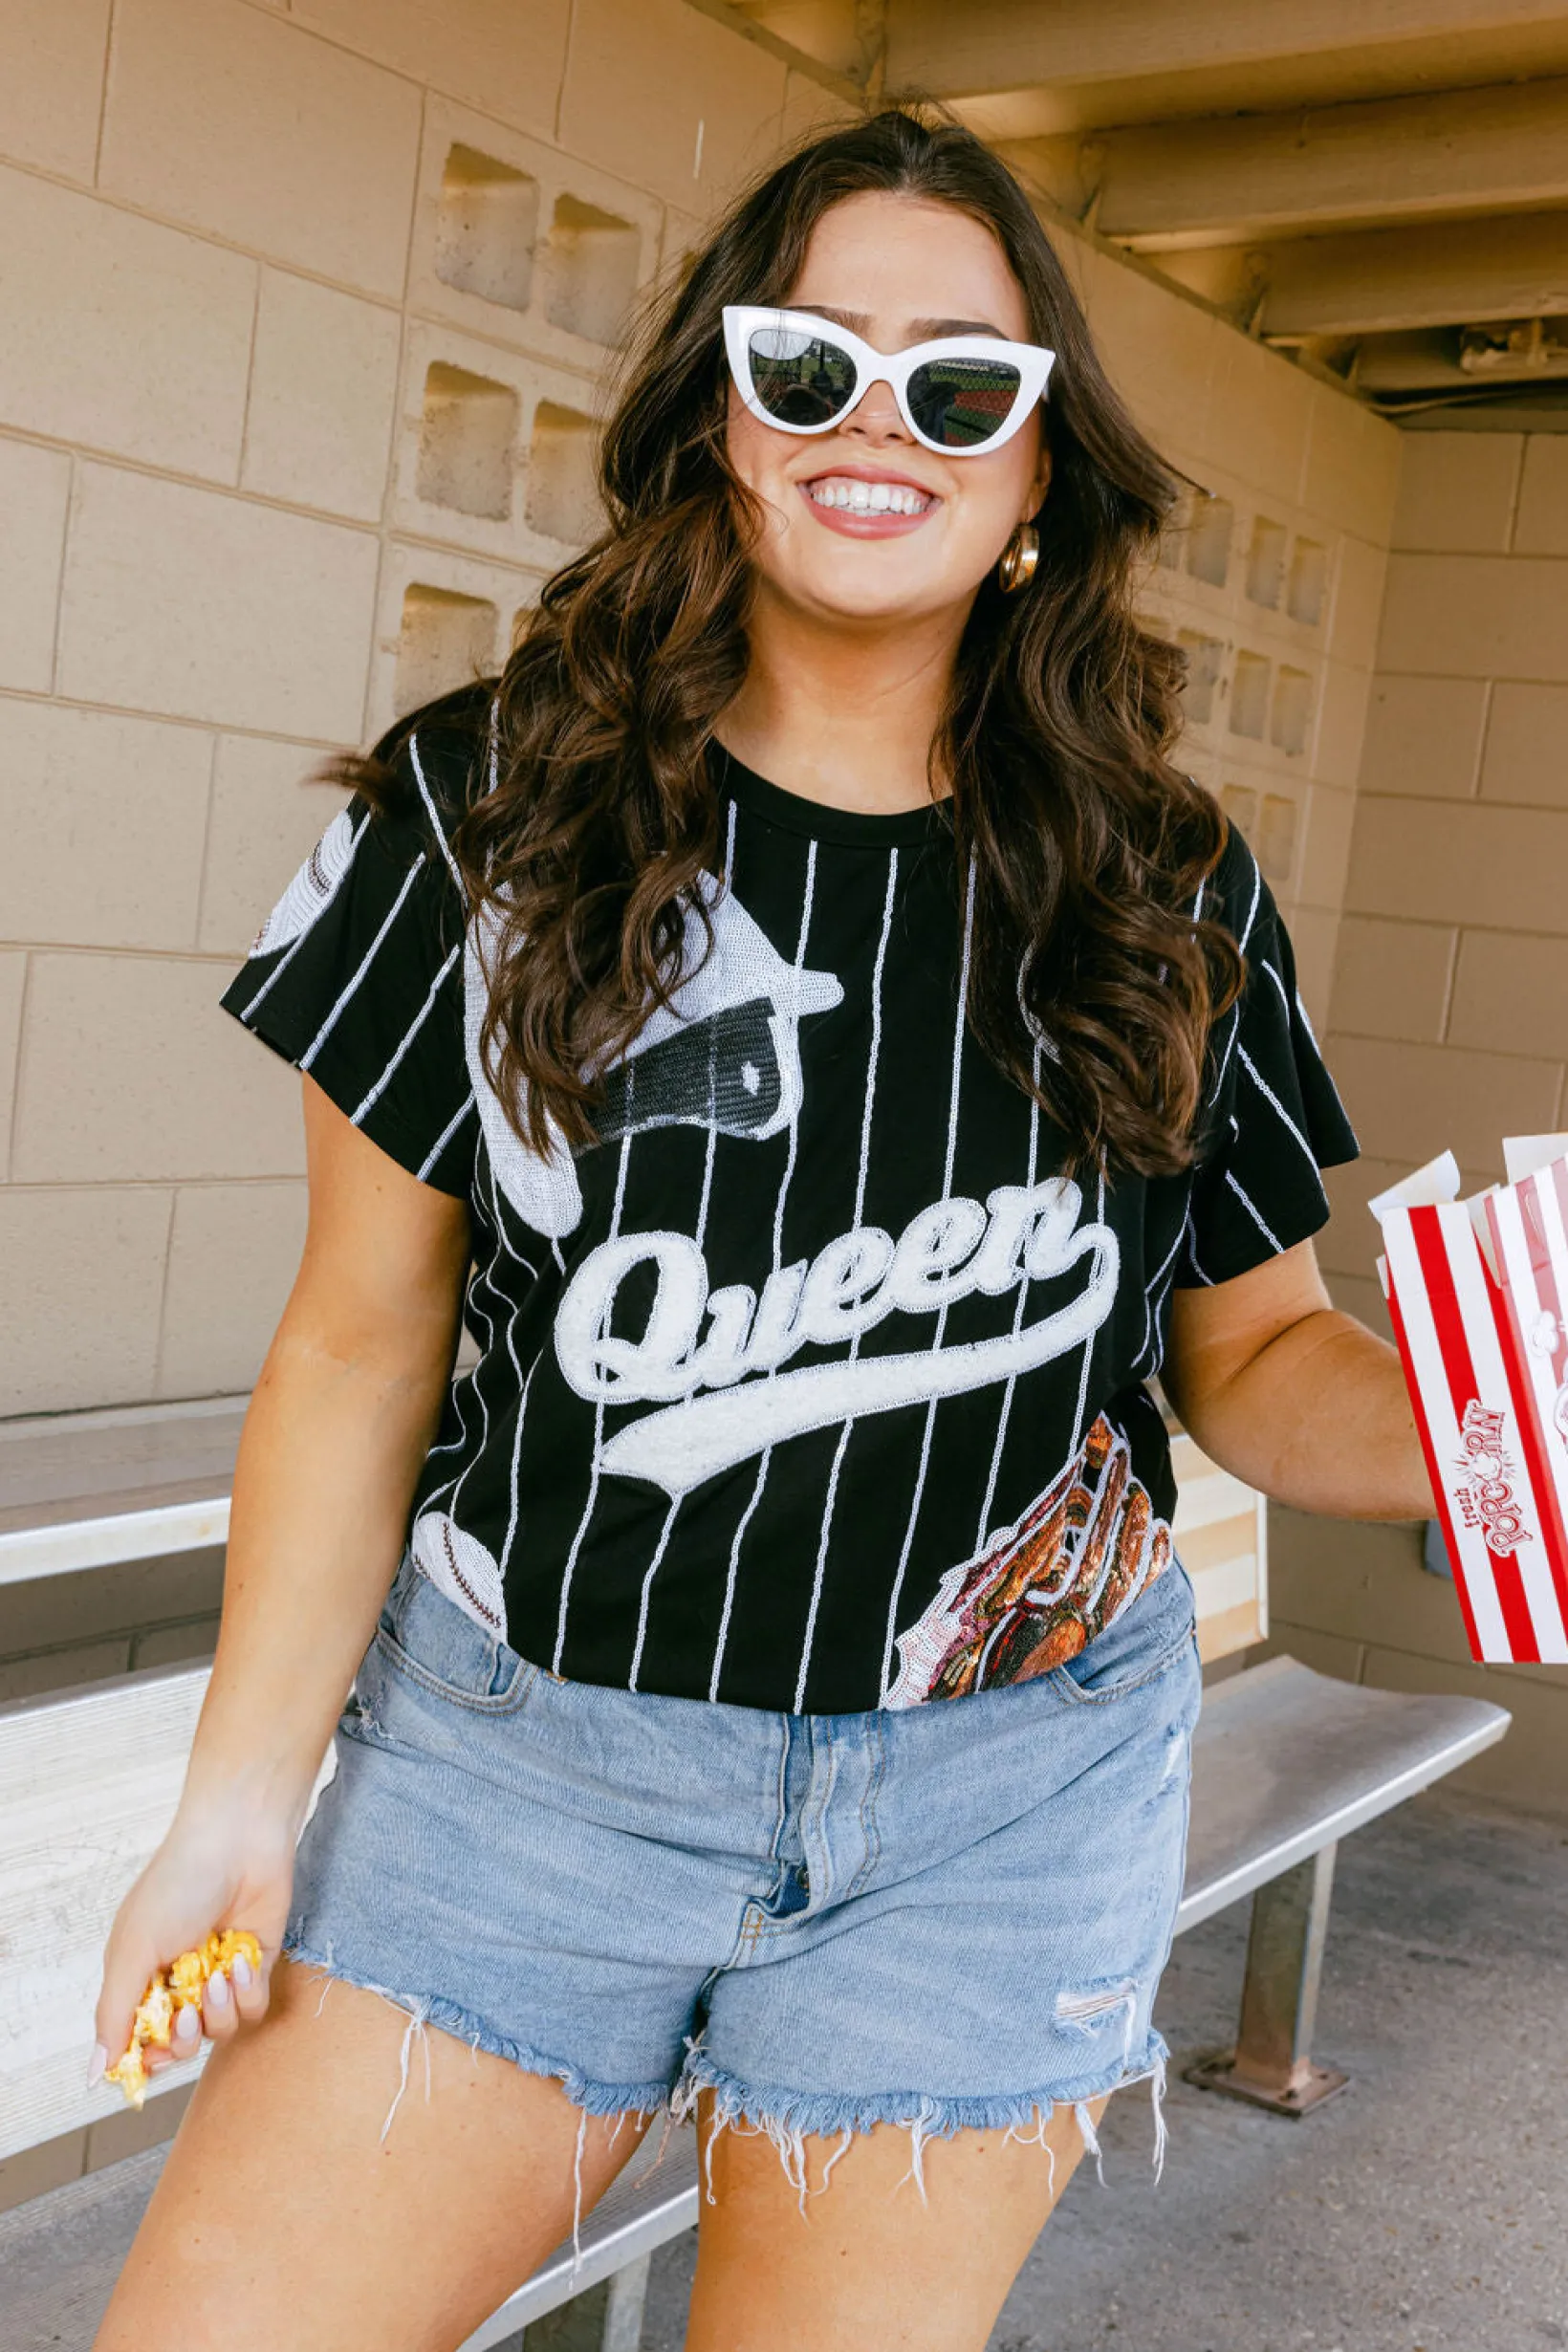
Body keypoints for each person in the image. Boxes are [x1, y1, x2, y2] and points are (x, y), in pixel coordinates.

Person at [90, 106, 1431, 2352]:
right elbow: (355, 1344)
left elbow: (1252, 1364)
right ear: (723, 421)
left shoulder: (1166, 890)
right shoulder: (488, 811)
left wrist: (1498, 1437)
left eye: (960, 382)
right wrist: (232, 1806)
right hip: (525, 1771)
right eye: (808, 364)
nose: (877, 421)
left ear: (1033, 481)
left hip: (1001, 1803)